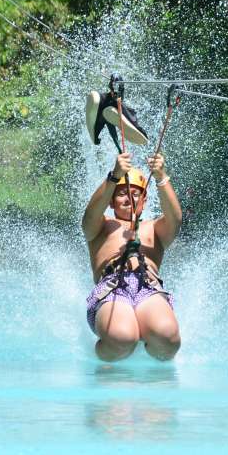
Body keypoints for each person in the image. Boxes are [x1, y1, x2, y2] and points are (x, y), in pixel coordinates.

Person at [82, 150, 182, 362]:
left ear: (144, 200)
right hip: (112, 287)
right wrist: (114, 176)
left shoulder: (155, 228)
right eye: (121, 193)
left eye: (136, 193)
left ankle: (151, 371)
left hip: (147, 287)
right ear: (111, 202)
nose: (129, 197)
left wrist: (161, 177)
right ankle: (103, 356)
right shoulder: (101, 226)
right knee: (122, 338)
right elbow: (90, 214)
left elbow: (175, 219)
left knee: (168, 340)